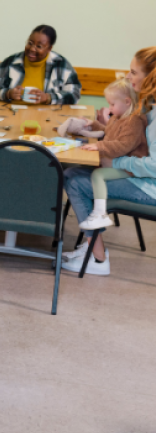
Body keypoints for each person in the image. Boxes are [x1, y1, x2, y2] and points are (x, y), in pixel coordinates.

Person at [63, 47, 156, 275]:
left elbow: (154, 166)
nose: (128, 76)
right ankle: (90, 247)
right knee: (73, 173)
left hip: (149, 188)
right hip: (140, 179)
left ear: (151, 77)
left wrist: (117, 164)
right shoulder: (149, 107)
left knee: (75, 181)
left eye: (134, 72)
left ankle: (98, 259)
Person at [75, 79, 148, 230]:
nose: (110, 108)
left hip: (129, 168)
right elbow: (109, 133)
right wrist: (94, 124)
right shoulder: (117, 117)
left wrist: (99, 146)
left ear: (127, 102)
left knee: (98, 175)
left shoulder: (134, 121)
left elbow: (123, 146)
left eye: (112, 104)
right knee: (89, 170)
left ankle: (100, 214)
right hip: (117, 162)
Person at [0, 25, 81, 105]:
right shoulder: (11, 62)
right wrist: (8, 93)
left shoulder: (61, 65)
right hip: (12, 114)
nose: (32, 49)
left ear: (49, 48)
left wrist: (48, 98)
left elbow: (74, 95)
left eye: (39, 46)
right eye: (30, 43)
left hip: (48, 117)